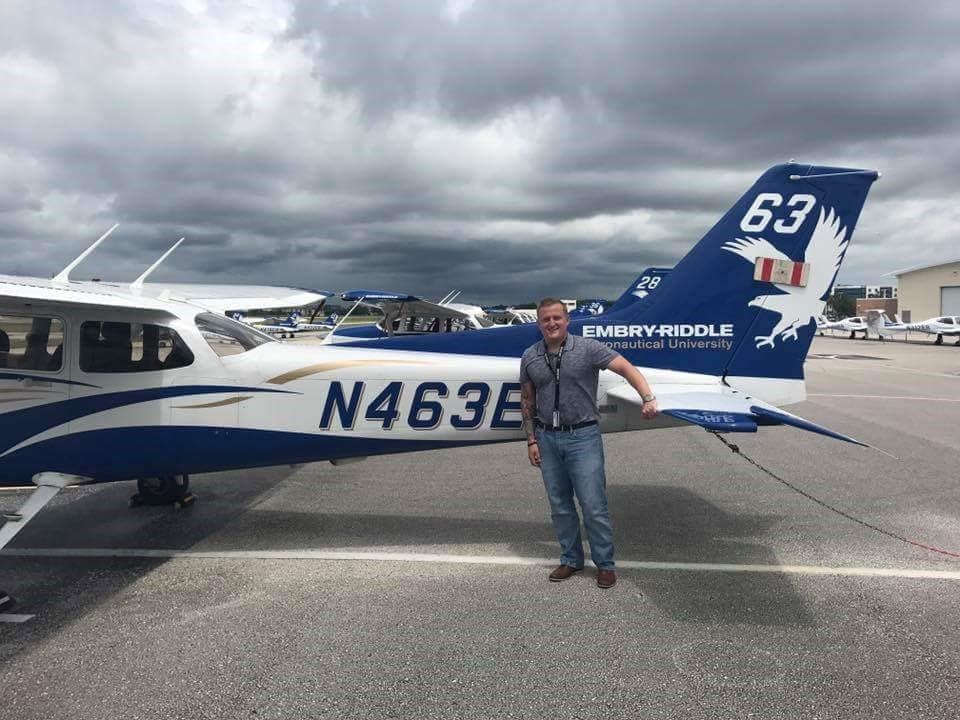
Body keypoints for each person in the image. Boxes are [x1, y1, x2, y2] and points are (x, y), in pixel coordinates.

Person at [519, 298, 659, 589]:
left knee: (593, 505)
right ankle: (571, 559)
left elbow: (625, 367)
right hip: (547, 437)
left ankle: (605, 564)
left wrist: (647, 397)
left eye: (557, 318)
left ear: (567, 320)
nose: (552, 323)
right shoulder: (530, 356)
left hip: (583, 436)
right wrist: (531, 439)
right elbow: (527, 400)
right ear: (538, 324)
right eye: (545, 319)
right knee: (559, 506)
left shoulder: (588, 348)